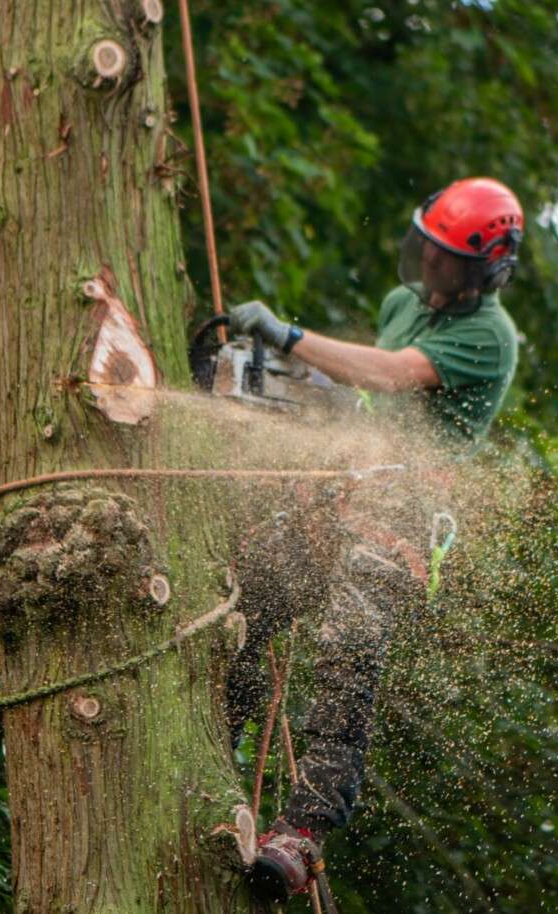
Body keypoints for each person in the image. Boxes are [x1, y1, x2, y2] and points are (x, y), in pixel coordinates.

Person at [224, 177, 525, 902]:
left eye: (448, 261)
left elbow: (389, 377)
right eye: (428, 249)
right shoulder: (402, 305)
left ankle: (303, 830)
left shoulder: (489, 336)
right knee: (242, 606)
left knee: (345, 659)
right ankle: (213, 748)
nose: (430, 267)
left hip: (402, 519)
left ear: (486, 271)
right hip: (343, 494)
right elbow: (357, 393)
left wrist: (288, 336)